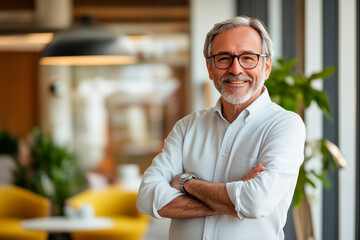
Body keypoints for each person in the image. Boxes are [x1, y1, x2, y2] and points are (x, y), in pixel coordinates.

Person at [137, 15, 305, 240]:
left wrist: (187, 183)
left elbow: (256, 202)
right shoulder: (187, 127)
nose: (235, 69)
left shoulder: (285, 126)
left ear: (266, 67)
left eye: (248, 58)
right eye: (224, 58)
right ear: (210, 68)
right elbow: (147, 198)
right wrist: (233, 199)